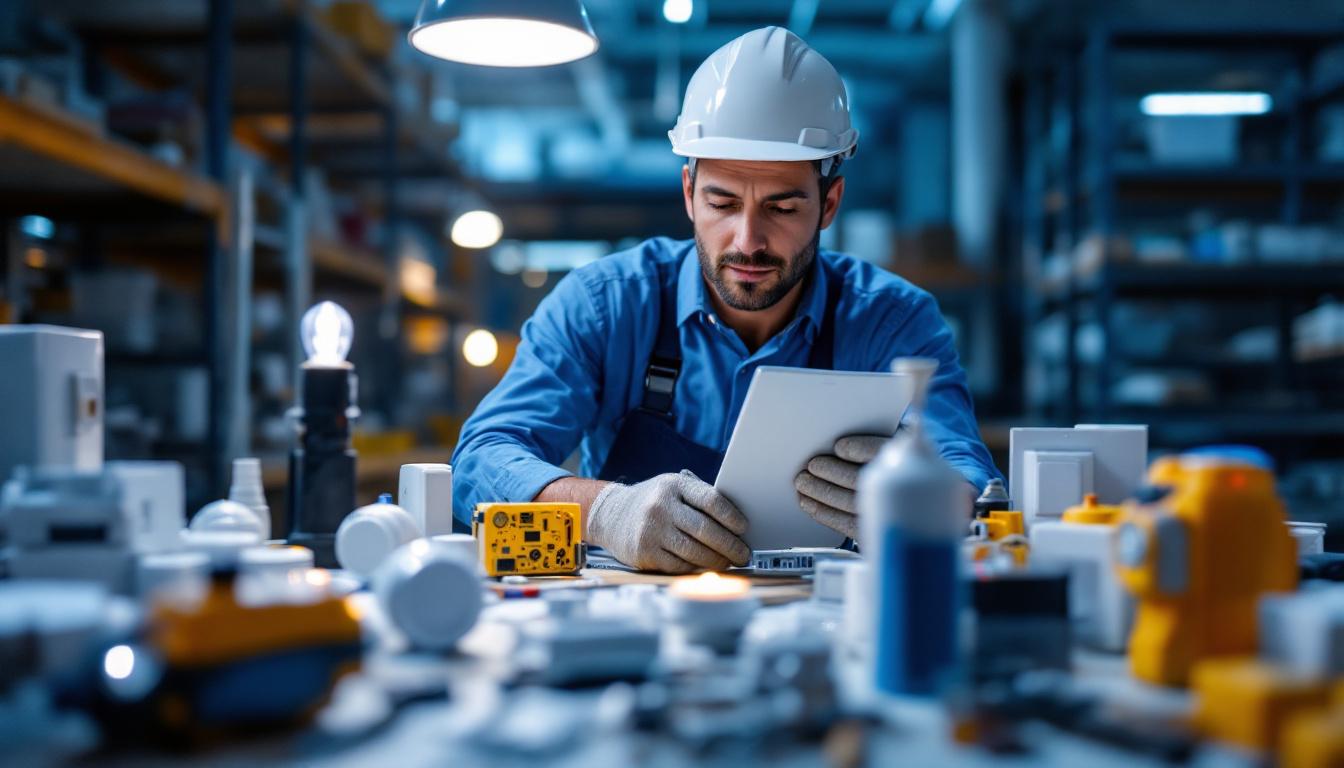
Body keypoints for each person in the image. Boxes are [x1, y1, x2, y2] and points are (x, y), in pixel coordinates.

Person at [451, 26, 1000, 573]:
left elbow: (975, 489)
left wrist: (922, 496)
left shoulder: (893, 321)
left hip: (828, 620)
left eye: (781, 209)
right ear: (689, 193)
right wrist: (605, 512)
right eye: (723, 203)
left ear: (829, 203)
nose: (747, 240)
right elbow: (481, 460)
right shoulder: (604, 306)